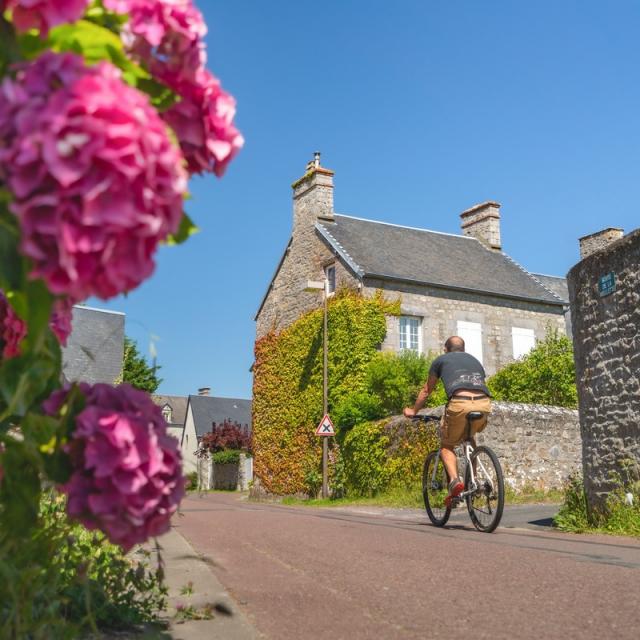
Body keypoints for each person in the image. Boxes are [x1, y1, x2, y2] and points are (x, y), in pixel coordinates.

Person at [403, 336, 491, 506]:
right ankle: (475, 481)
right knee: (469, 438)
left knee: (446, 445)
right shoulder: (474, 360)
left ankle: (455, 481)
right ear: (463, 349)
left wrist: (413, 411)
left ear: (446, 349)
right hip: (484, 403)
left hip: (459, 403)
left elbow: (426, 391)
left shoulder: (441, 360)